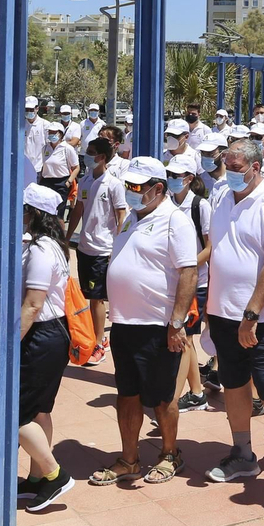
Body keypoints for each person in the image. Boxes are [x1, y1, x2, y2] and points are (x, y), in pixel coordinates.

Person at [90, 157, 198, 486]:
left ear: (158, 189)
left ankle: (170, 454)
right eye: (128, 186)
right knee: (127, 394)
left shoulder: (174, 221)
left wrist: (176, 323)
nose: (130, 192)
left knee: (164, 399)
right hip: (124, 323)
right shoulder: (130, 219)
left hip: (157, 325)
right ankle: (129, 459)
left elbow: (188, 273)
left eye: (137, 187)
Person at [206, 137, 264, 482]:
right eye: (226, 167)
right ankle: (241, 452)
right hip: (222, 312)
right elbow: (216, 249)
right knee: (233, 382)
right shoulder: (220, 196)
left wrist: (251, 315)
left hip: (261, 317)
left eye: (235, 168)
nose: (228, 174)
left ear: (255, 167)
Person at [18, 184, 76, 510]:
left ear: (33, 213)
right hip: (49, 335)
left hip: (42, 336)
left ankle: (54, 475)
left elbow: (33, 305)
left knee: (16, 413)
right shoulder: (49, 245)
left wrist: (9, 344)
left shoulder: (41, 249)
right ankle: (37, 477)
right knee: (39, 410)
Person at [67, 136, 127, 366]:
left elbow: (121, 215)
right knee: (88, 295)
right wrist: (66, 236)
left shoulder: (113, 184)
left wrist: (118, 245)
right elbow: (78, 210)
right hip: (85, 248)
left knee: (97, 299)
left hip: (104, 249)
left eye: (91, 152)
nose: (87, 156)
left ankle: (100, 342)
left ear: (102, 157)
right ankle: (94, 336)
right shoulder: (84, 181)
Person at [166, 153, 213, 412]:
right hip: (178, 280)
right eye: (169, 175)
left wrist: (189, 266)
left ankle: (185, 395)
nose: (171, 179)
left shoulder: (200, 206)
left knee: (187, 338)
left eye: (176, 176)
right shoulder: (168, 203)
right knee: (189, 339)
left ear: (189, 179)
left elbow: (210, 245)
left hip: (198, 282)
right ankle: (197, 392)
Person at [38, 119, 78, 211]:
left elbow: (76, 167)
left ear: (60, 134)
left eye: (54, 132)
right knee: (46, 211)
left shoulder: (67, 148)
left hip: (61, 182)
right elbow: (43, 166)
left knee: (58, 211)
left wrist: (68, 182)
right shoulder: (45, 148)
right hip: (46, 182)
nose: (51, 134)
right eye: (50, 132)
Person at [23, 96, 48, 175]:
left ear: (37, 108)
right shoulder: (20, 125)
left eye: (31, 110)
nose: (29, 112)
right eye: (27, 110)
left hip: (38, 167)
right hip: (23, 167)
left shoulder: (45, 125)